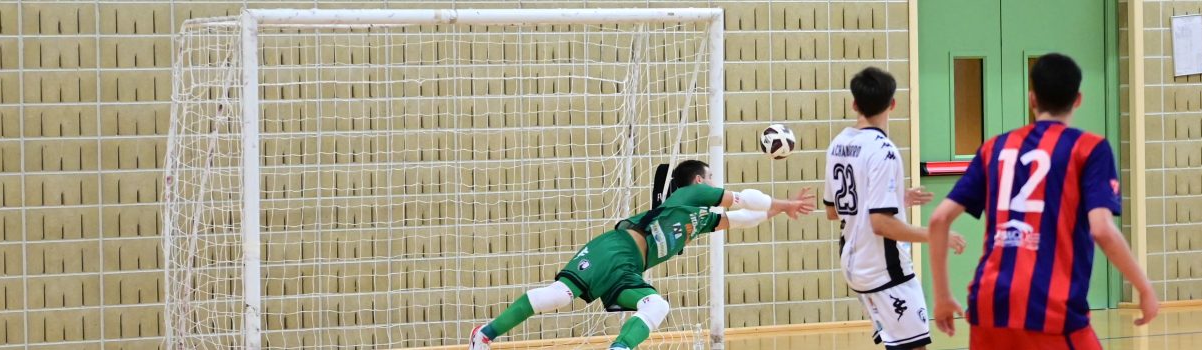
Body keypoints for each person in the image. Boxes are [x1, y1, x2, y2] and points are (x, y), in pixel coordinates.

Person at [926, 53, 1156, 349]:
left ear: (1032, 99)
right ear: (1078, 99)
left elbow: (938, 219)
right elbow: (1102, 229)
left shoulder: (994, 147)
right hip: (1051, 308)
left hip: (989, 305)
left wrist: (943, 296)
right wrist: (1144, 286)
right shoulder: (1089, 148)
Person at [468, 160, 816, 350]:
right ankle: (484, 334)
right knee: (559, 296)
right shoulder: (688, 197)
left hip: (631, 269)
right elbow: (744, 199)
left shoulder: (700, 219)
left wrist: (778, 212)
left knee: (658, 306)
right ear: (698, 180)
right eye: (710, 177)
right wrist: (785, 203)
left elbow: (743, 219)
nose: (714, 182)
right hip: (613, 248)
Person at [823, 67, 966, 350]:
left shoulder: (838, 144)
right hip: (884, 269)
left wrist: (896, 199)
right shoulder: (883, 150)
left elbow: (834, 210)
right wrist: (936, 235)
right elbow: (881, 224)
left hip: (853, 263)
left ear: (854, 103)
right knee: (914, 347)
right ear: (892, 104)